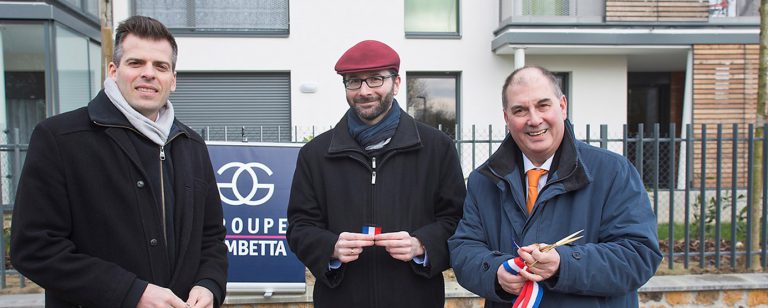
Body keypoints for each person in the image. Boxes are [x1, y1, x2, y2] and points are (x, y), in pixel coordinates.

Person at [10, 16, 227, 308]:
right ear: (113, 70)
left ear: (173, 80)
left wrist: (208, 283)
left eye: (160, 66)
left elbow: (211, 236)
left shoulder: (192, 146)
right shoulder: (59, 138)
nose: (149, 73)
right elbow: (35, 247)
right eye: (136, 63)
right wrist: (131, 293)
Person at [448, 66, 662, 307]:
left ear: (562, 106)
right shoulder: (483, 180)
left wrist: (564, 263)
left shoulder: (612, 172)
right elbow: (464, 250)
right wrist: (496, 273)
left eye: (543, 105)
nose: (534, 119)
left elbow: (638, 255)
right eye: (520, 110)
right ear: (507, 118)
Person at [286, 40, 466, 308]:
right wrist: (330, 247)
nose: (364, 91)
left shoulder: (437, 148)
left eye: (375, 80)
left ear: (396, 83)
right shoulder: (315, 154)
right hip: (340, 300)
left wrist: (421, 245)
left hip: (417, 299)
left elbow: (458, 221)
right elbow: (299, 227)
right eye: (354, 82)